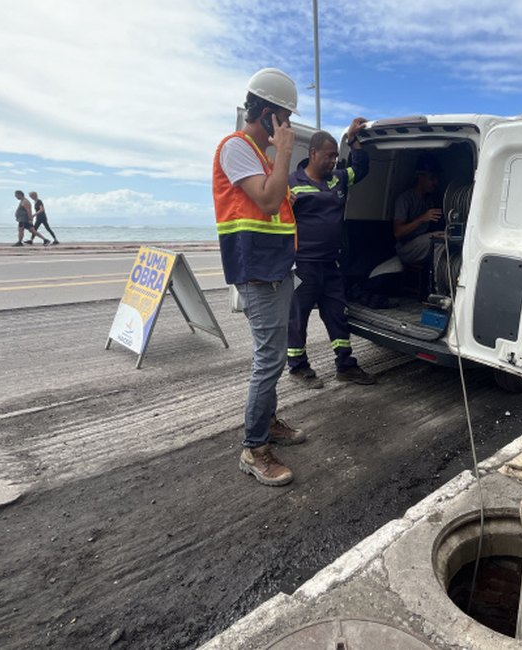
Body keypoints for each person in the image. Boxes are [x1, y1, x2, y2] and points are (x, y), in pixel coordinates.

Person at [212, 67, 305, 487]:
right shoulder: (236, 148)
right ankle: (254, 448)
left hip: (277, 270)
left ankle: (267, 423)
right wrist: (284, 152)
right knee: (268, 361)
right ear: (269, 114)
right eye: (285, 119)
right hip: (258, 274)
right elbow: (268, 202)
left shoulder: (258, 154)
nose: (287, 128)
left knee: (275, 354)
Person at [286, 120, 377, 388]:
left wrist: (353, 140)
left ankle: (345, 365)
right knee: (297, 316)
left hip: (332, 264)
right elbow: (277, 221)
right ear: (313, 153)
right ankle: (298, 367)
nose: (333, 161)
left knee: (338, 315)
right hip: (303, 265)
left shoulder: (338, 177)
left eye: (336, 156)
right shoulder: (293, 184)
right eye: (329, 156)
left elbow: (361, 169)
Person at [392, 155, 445, 266]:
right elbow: (398, 232)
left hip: (421, 244)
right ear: (420, 177)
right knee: (439, 241)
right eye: (432, 178)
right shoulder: (405, 199)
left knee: (446, 236)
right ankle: (439, 281)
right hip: (406, 249)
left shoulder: (429, 200)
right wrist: (422, 218)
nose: (435, 182)